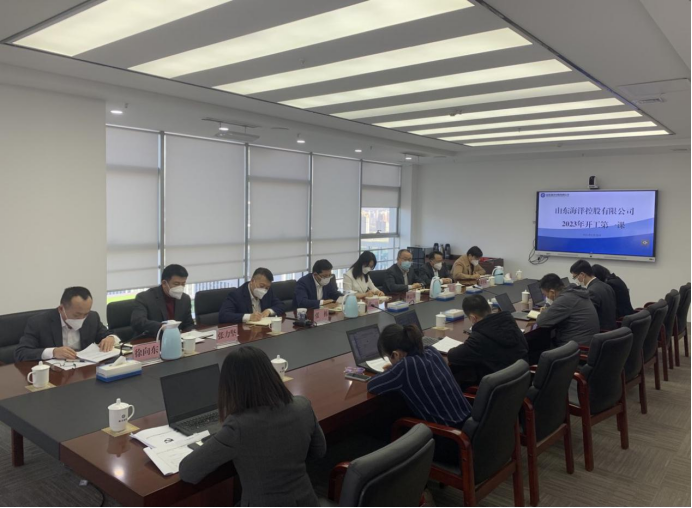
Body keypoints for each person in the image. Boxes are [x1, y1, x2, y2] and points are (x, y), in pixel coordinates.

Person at [180, 347, 326, 507]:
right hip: (306, 500)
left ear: (230, 386)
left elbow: (188, 471)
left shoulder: (238, 426)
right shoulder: (302, 406)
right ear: (271, 374)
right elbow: (319, 451)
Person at [367, 324, 472, 429]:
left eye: (388, 357)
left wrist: (394, 370)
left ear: (396, 355)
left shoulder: (405, 367)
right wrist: (395, 368)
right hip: (469, 421)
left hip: (449, 432)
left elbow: (372, 385)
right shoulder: (431, 351)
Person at [15, 287, 119, 362]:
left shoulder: (92, 317)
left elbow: (106, 334)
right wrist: (53, 352)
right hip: (56, 375)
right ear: (61, 309)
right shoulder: (38, 322)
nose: (82, 318)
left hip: (85, 371)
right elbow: (21, 353)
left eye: (85, 314)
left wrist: (110, 338)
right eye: (77, 315)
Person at [447, 295, 529, 390]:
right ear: (489, 308)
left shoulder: (479, 339)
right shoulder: (509, 321)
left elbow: (453, 356)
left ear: (473, 318)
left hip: (498, 391)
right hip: (520, 385)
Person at [536, 273, 600, 347]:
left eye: (545, 295)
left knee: (539, 349)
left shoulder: (565, 299)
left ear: (552, 292)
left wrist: (546, 309)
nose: (546, 297)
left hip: (578, 347)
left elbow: (541, 321)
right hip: (587, 342)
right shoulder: (575, 292)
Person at [131, 264, 195, 337]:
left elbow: (189, 324)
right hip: (152, 340)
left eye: (183, 284)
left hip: (177, 340)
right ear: (164, 283)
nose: (180, 287)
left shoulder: (185, 299)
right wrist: (163, 327)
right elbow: (138, 322)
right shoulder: (145, 298)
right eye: (176, 284)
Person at [219, 268, 284, 324]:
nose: (264, 290)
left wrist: (269, 311)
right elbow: (224, 315)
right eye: (261, 286)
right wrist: (249, 317)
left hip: (264, 330)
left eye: (267, 287)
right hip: (245, 332)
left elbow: (281, 305)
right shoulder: (236, 295)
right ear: (252, 281)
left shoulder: (268, 291)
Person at [570, 260, 617, 330]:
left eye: (575, 277)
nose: (576, 280)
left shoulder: (591, 291)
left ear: (582, 274)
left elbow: (587, 316)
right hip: (612, 329)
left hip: (601, 331)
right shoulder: (607, 286)